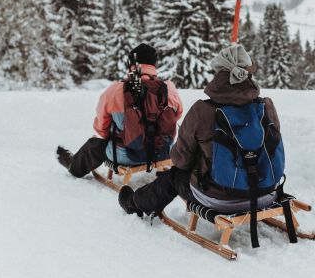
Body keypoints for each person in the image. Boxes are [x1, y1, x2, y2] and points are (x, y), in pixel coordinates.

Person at [118, 44, 282, 218]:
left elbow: (181, 160)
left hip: (221, 199)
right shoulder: (266, 106)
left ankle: (135, 203)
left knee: (174, 175)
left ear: (219, 73)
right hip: (266, 193)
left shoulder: (202, 110)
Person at [57, 43, 183, 178]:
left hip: (127, 155)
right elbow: (177, 115)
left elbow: (101, 129)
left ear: (131, 63)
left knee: (94, 144)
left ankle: (75, 167)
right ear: (153, 65)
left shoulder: (117, 90)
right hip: (163, 152)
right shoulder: (168, 89)